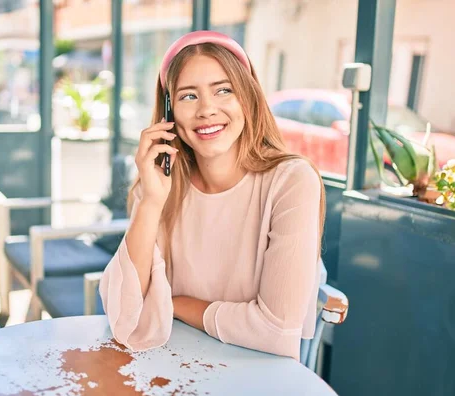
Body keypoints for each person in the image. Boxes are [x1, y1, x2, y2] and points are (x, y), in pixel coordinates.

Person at [99, 30, 325, 362]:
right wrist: (150, 202)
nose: (207, 109)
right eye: (188, 96)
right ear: (169, 112)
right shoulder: (162, 186)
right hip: (172, 367)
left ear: (247, 99)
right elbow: (123, 317)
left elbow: (277, 332)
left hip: (257, 375)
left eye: (223, 90)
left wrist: (173, 305)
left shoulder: (292, 181)